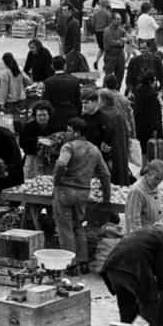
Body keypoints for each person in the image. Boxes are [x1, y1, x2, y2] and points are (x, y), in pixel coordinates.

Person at [54, 117, 111, 274]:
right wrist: (107, 197)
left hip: (65, 192)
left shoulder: (69, 147)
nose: (66, 133)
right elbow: (105, 174)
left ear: (77, 133)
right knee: (78, 226)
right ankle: (83, 262)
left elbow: (61, 164)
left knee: (65, 229)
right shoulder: (94, 149)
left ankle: (71, 265)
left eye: (69, 130)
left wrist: (56, 180)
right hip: (83, 193)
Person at [101, 225, 163, 326]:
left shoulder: (143, 231)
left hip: (112, 267)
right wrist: (161, 285)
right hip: (133, 269)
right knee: (149, 302)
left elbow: (142, 252)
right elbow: (161, 265)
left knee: (126, 304)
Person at [124, 160, 163, 233]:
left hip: (153, 236)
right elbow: (133, 224)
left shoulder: (156, 189)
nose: (158, 182)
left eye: (161, 179)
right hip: (141, 239)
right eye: (156, 178)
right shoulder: (137, 191)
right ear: (147, 174)